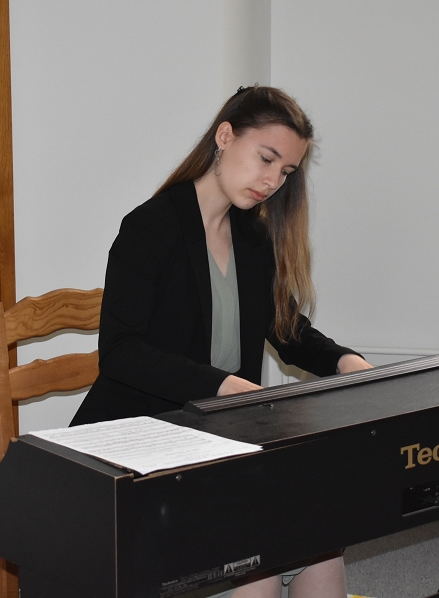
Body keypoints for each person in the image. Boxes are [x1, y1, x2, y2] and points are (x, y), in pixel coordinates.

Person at [72, 85, 373, 598]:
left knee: (322, 540)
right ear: (225, 136)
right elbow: (121, 352)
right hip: (143, 441)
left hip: (217, 437)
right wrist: (223, 386)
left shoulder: (251, 238)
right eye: (266, 159)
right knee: (258, 558)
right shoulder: (150, 227)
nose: (272, 181)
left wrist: (343, 360)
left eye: (286, 171)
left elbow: (285, 327)